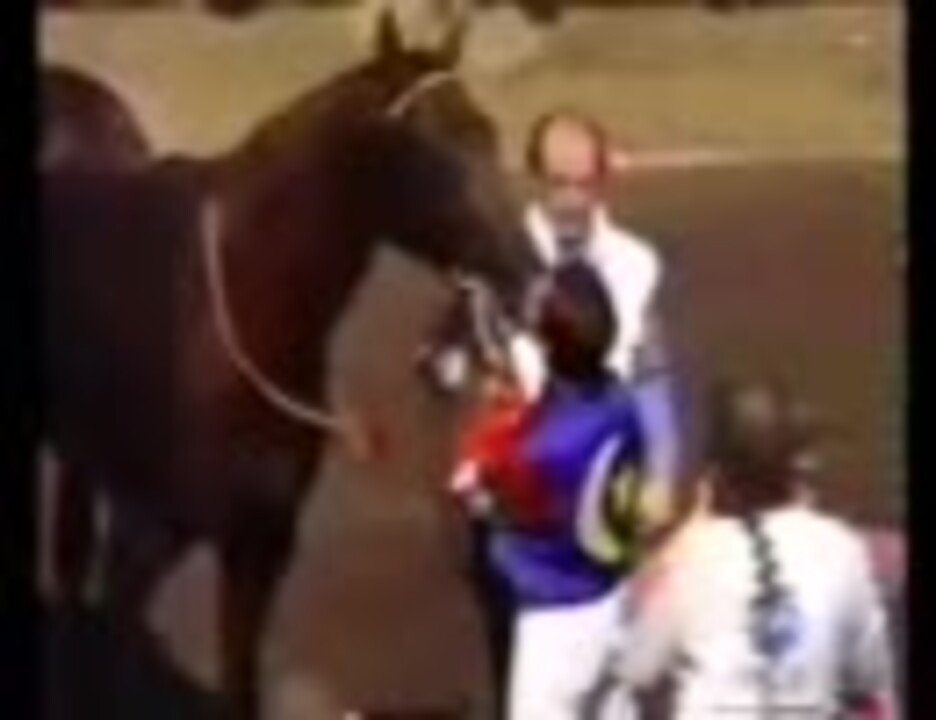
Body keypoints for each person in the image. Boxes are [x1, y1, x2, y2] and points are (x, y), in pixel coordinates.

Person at [449, 261, 666, 720]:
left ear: (550, 344)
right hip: (614, 602)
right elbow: (550, 384)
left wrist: (475, 479)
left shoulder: (538, 454)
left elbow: (478, 496)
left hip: (556, 627)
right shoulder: (620, 400)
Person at [620, 376, 899, 720]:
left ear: (715, 473)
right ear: (795, 467)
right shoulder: (843, 547)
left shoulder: (691, 553)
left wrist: (685, 531)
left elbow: (638, 668)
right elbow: (870, 677)